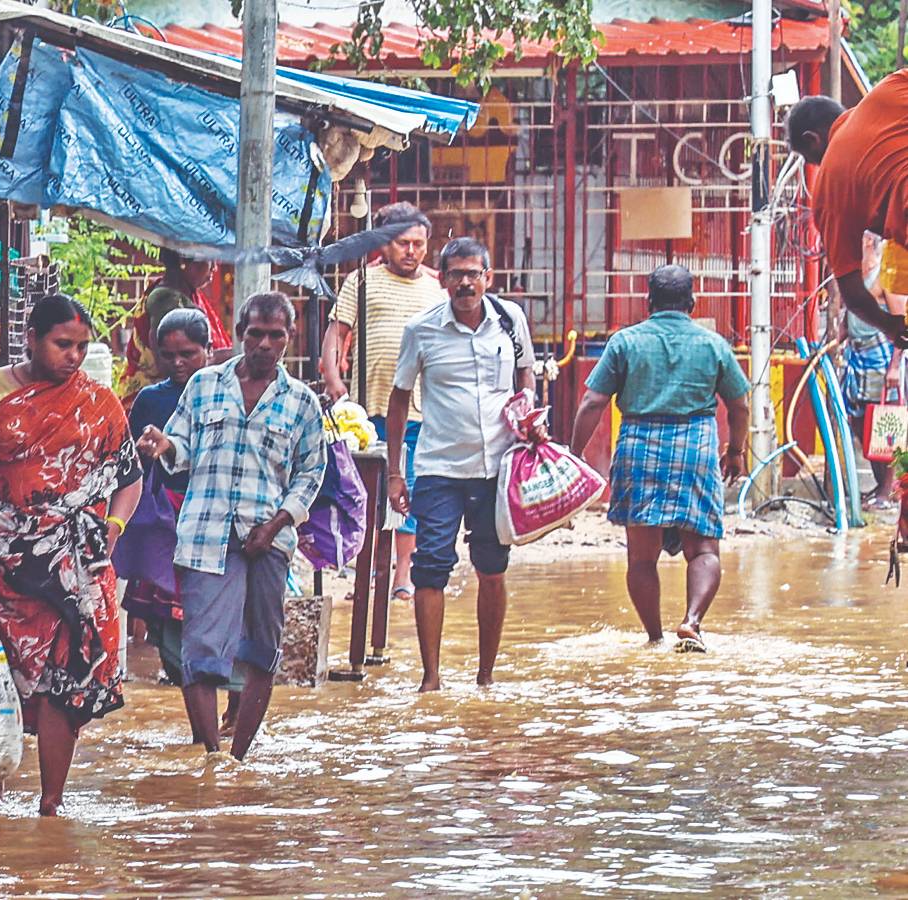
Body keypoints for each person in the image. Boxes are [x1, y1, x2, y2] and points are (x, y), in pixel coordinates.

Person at [0, 294, 143, 817]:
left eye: (82, 346)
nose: (74, 357)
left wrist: (113, 528)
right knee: (5, 676)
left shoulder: (99, 402)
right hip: (5, 563)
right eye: (63, 344)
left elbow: (129, 478)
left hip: (80, 565)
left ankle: (51, 804)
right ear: (31, 339)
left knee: (68, 679)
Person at [135, 292, 328, 759]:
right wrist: (164, 446)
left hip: (268, 540)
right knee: (200, 651)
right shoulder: (204, 385)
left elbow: (311, 473)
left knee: (262, 649)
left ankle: (238, 757)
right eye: (255, 334)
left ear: (289, 337)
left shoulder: (301, 402)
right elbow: (183, 447)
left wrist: (277, 524)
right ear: (240, 333)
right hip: (207, 533)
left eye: (275, 335)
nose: (264, 344)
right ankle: (213, 758)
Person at [568, 265, 750, 653]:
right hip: (696, 451)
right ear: (692, 302)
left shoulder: (624, 342)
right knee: (703, 549)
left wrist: (574, 455)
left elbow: (592, 402)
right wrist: (735, 452)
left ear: (648, 301)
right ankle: (692, 622)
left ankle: (653, 638)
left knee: (641, 557)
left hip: (639, 448)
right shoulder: (714, 345)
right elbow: (740, 406)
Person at [384, 236, 535, 693]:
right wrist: (395, 472)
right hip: (439, 469)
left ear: (488, 277)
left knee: (493, 568)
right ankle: (431, 679)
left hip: (497, 469)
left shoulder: (511, 320)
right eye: (456, 274)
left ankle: (485, 677)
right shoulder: (421, 330)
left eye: (473, 274)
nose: (465, 283)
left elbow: (525, 373)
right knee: (430, 568)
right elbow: (399, 398)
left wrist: (528, 406)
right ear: (443, 279)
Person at [122, 309, 245, 740]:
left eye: (188, 354)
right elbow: (133, 463)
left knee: (234, 616)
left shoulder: (230, 393)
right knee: (173, 621)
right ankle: (203, 730)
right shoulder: (150, 400)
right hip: (167, 520)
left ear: (209, 350)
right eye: (168, 355)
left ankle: (235, 715)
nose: (177, 363)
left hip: (224, 518)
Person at [321, 202, 446, 600]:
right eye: (402, 243)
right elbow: (336, 334)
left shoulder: (436, 288)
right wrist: (333, 378)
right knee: (368, 494)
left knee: (409, 490)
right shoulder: (361, 281)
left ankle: (402, 574)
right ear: (383, 244)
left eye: (418, 244)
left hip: (420, 409)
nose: (411, 251)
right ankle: (371, 572)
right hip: (368, 408)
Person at [787, 77, 908, 347]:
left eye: (810, 160)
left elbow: (852, 292)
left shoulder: (829, 186)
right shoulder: (890, 89)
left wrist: (890, 325)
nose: (817, 166)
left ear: (812, 140)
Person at [842, 235, 906, 510]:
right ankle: (881, 483)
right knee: (859, 420)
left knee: (886, 423)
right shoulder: (855, 275)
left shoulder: (884, 275)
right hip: (858, 357)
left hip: (881, 357)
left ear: (868, 241)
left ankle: (887, 488)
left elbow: (901, 324)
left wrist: (895, 366)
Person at [119, 248, 232, 404]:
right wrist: (233, 356)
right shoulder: (165, 301)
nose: (214, 267)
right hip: (162, 402)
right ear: (183, 260)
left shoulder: (185, 294)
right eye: (209, 260)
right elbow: (170, 365)